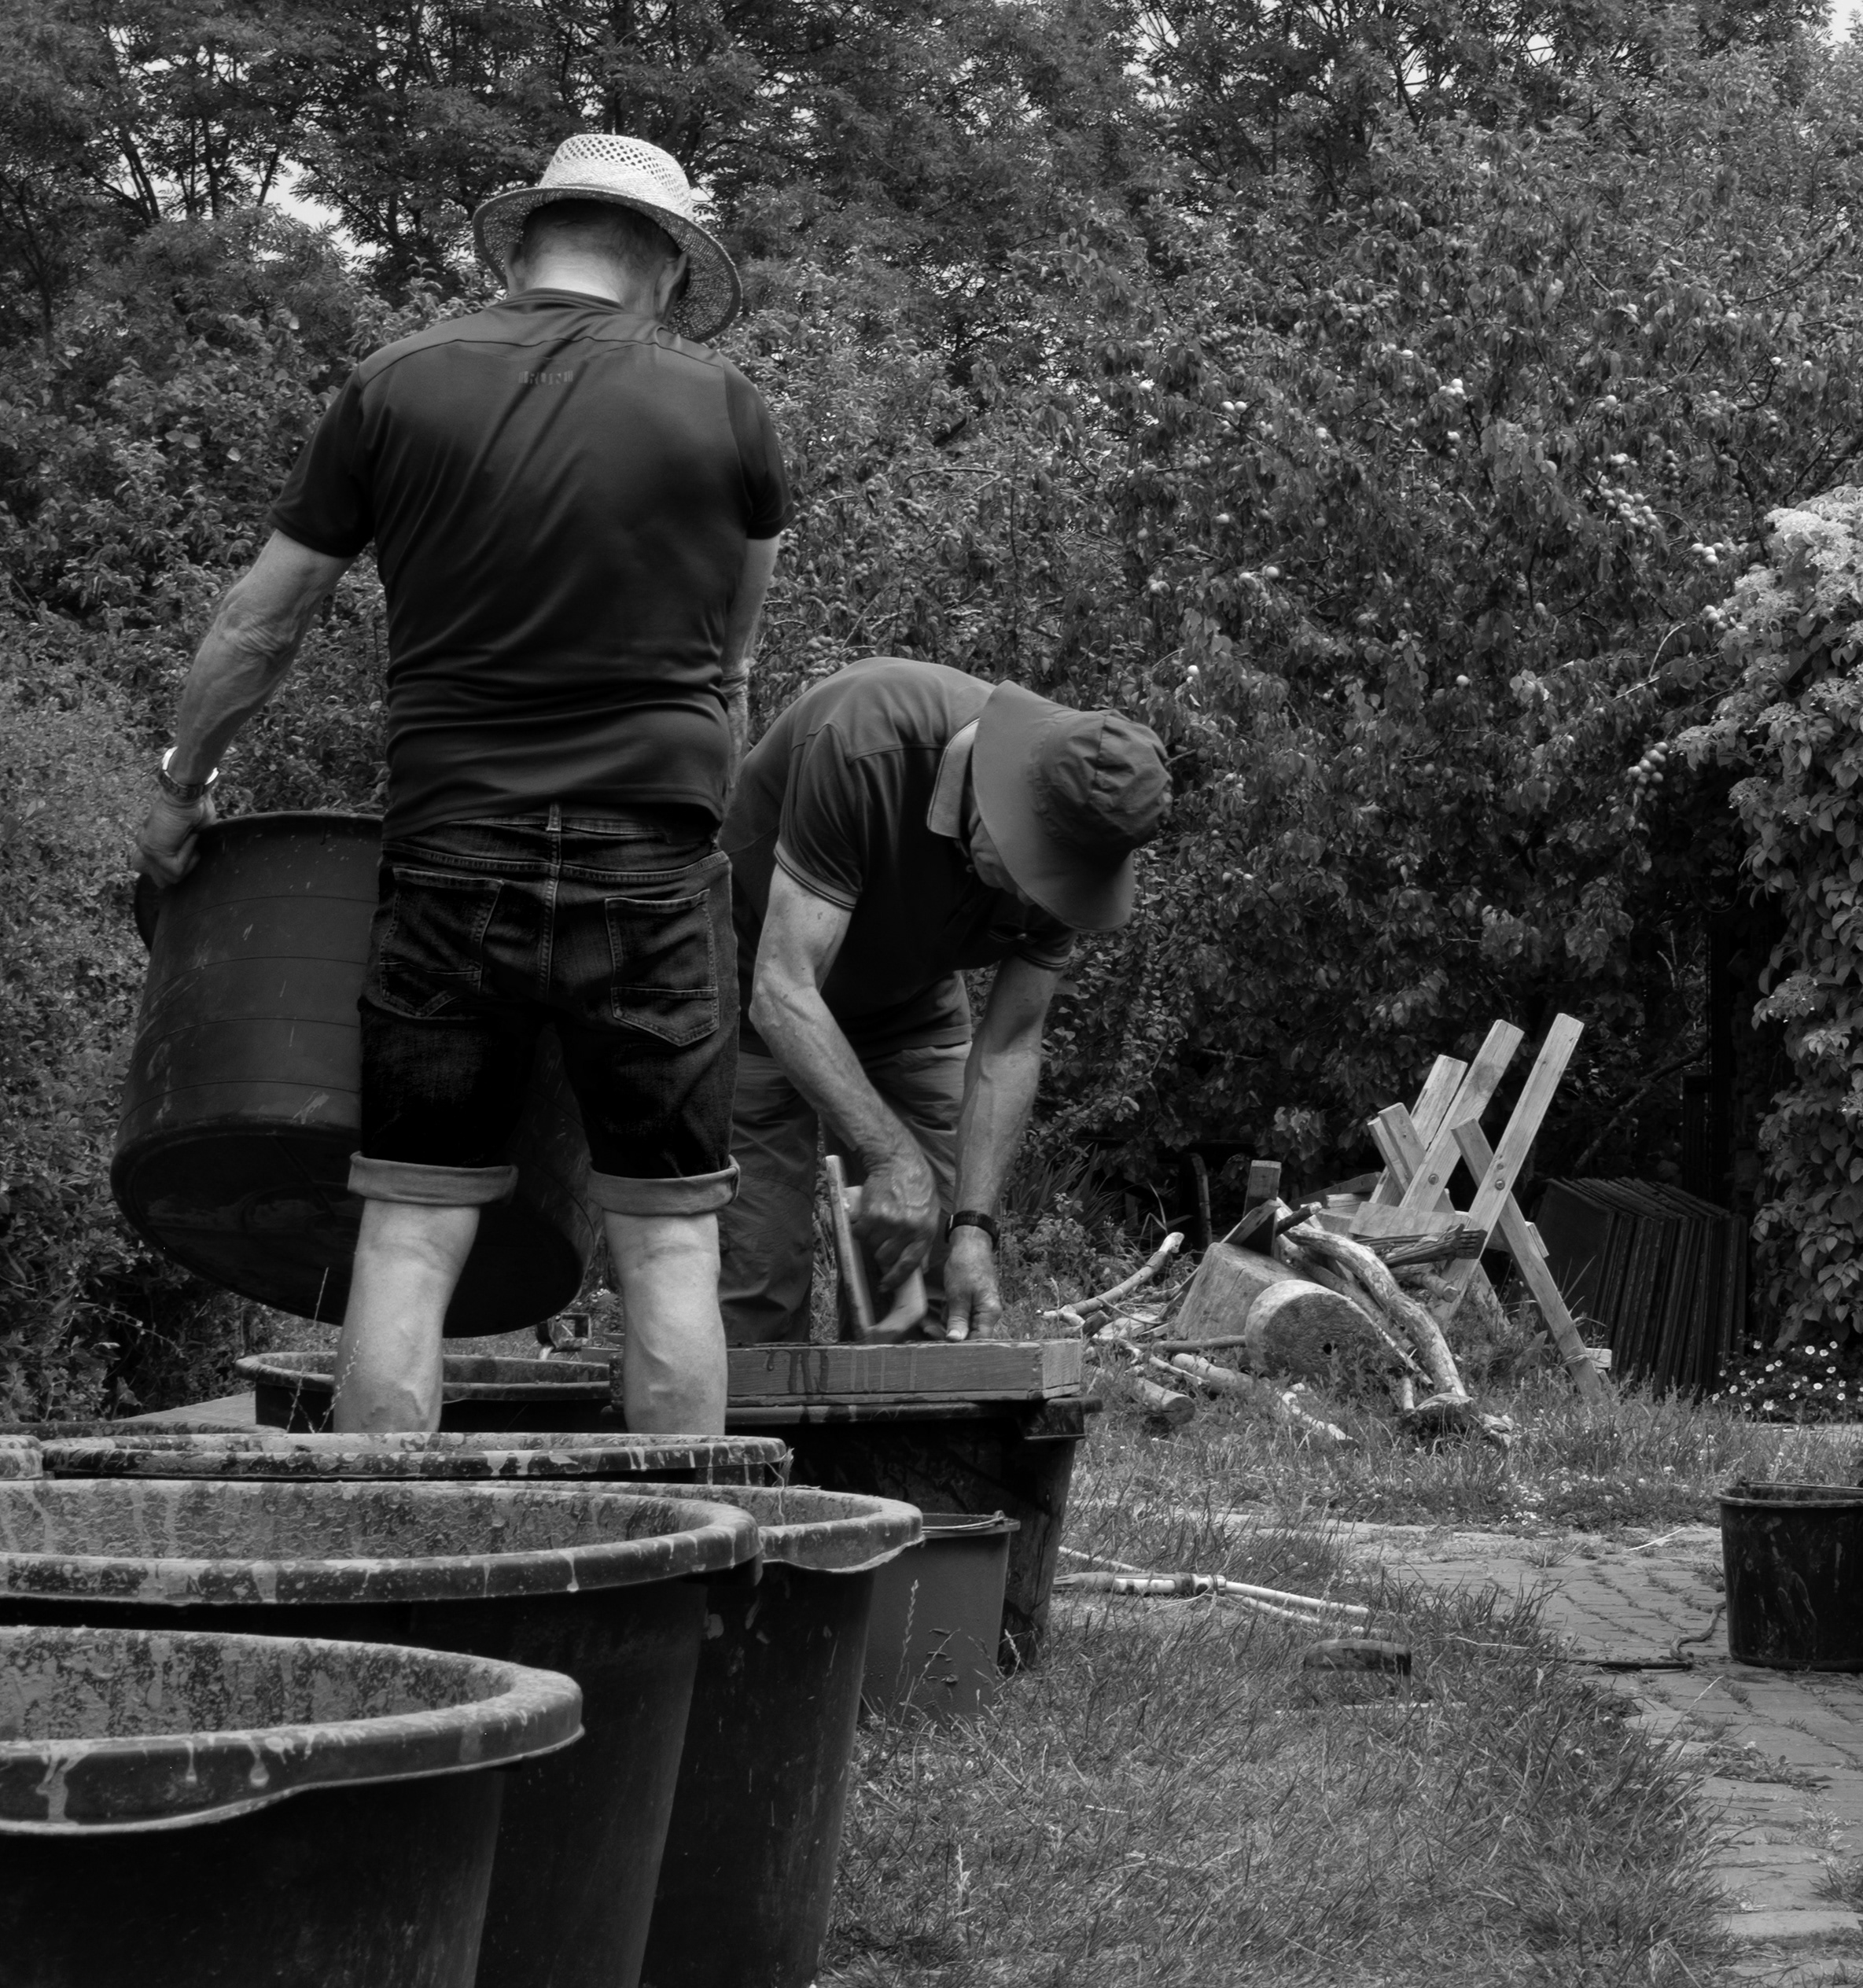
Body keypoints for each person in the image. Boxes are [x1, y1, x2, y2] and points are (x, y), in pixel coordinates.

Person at [132, 134, 788, 1432]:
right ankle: (680, 1605)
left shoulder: (397, 385)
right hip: (650, 871)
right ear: (658, 259)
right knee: (667, 1248)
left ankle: (395, 1578)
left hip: (449, 858)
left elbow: (262, 625)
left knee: (413, 1231)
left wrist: (181, 781)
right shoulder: (725, 410)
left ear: (524, 243)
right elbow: (732, 663)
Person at [720, 657, 1169, 1344]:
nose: (1032, 898)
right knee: (755, 1283)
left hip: (908, 1003)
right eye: (1031, 867)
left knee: (935, 1298)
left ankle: (887, 1449)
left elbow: (1012, 1043)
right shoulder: (863, 741)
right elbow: (783, 993)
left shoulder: (1080, 835)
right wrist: (892, 1158)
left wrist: (975, 1229)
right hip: (755, 983)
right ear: (998, 790)